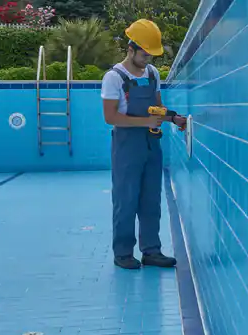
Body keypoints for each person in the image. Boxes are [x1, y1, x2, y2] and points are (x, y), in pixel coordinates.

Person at [101, 19, 186, 270]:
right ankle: (123, 252)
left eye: (151, 54)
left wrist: (172, 117)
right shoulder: (114, 77)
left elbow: (156, 108)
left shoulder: (152, 74)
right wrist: (145, 121)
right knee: (126, 198)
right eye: (144, 53)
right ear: (131, 48)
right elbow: (110, 117)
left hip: (152, 143)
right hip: (127, 145)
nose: (148, 58)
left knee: (151, 199)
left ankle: (151, 250)